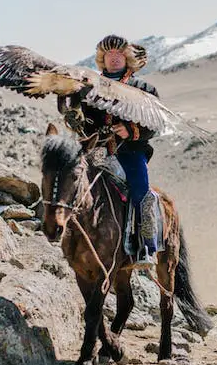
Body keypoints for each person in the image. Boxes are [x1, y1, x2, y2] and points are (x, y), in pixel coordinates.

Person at [67, 34, 160, 265]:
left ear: (126, 57)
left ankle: (146, 246)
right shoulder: (88, 88)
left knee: (141, 189)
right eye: (109, 54)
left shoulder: (144, 89)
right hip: (96, 150)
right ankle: (65, 235)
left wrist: (130, 131)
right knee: (71, 183)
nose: (114, 58)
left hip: (130, 152)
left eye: (119, 54)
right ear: (102, 58)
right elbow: (83, 120)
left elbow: (155, 124)